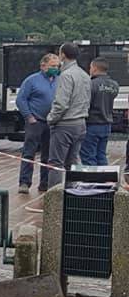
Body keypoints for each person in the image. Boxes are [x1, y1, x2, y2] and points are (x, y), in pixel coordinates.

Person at [47, 42, 92, 188]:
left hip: (65, 124)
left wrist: (51, 119)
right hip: (81, 123)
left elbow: (61, 103)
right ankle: (73, 195)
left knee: (56, 164)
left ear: (63, 55)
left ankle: (54, 200)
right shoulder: (85, 75)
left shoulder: (66, 76)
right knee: (73, 162)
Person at [16, 53, 60, 193]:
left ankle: (44, 183)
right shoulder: (32, 80)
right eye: (52, 66)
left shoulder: (60, 80)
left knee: (48, 155)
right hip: (36, 122)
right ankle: (24, 182)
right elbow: (21, 99)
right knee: (29, 153)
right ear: (43, 66)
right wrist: (29, 116)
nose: (55, 68)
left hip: (52, 122)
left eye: (57, 66)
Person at [81, 57, 120, 166]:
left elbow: (86, 104)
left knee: (88, 156)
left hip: (92, 124)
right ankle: (104, 180)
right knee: (101, 155)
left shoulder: (91, 84)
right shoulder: (114, 85)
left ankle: (93, 181)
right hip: (107, 124)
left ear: (94, 68)